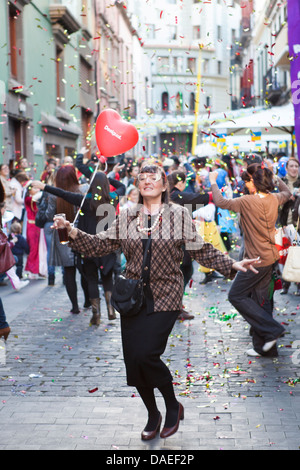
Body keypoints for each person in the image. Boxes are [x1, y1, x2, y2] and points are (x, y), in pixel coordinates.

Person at [51, 162, 260, 441]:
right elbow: (100, 244)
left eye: (154, 177)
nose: (147, 181)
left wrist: (232, 265)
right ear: (138, 185)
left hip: (166, 296)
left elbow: (200, 249)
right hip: (133, 298)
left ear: (164, 185)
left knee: (147, 355)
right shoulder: (126, 216)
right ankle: (153, 413)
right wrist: (71, 230)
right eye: (142, 177)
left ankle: (172, 405)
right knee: (134, 362)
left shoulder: (178, 216)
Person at [209, 164, 291, 357]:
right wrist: (275, 176)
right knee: (261, 300)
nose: (245, 183)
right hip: (269, 257)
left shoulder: (247, 201)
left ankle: (271, 329)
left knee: (236, 295)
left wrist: (212, 181)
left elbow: (220, 201)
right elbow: (287, 192)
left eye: (247, 181)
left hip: (256, 260)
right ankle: (265, 348)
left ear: (253, 182)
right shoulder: (273, 198)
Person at [32, 170, 125, 323]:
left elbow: (62, 193)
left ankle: (96, 314)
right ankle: (110, 308)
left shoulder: (83, 201)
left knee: (92, 279)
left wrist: (44, 187)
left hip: (88, 246)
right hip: (108, 245)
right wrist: (109, 178)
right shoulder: (113, 198)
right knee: (108, 277)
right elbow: (121, 185)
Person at [167, 169, 212, 319]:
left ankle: (175, 305)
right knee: (183, 272)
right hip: (178, 242)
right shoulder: (176, 195)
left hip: (173, 240)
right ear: (180, 183)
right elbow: (201, 198)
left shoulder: (169, 194)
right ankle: (175, 307)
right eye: (184, 182)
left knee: (183, 272)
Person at [278, 157, 300, 295]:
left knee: (298, 254)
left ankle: (298, 284)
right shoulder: (281, 183)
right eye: (291, 166)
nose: (294, 169)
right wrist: (288, 198)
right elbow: (276, 201)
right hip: (285, 224)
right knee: (285, 254)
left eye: (296, 166)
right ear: (286, 168)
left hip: (298, 225)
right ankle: (285, 283)